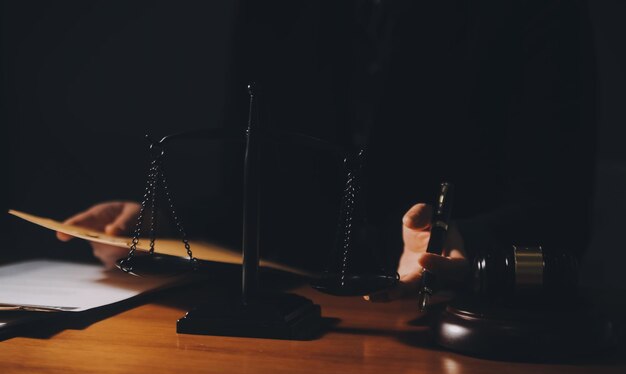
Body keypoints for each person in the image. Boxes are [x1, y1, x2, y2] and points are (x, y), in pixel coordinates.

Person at [58, 0, 596, 302]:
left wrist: (461, 243)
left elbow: (560, 215)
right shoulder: (274, 16)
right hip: (301, 333)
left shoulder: (533, 15)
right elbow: (263, 203)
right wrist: (164, 225)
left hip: (461, 339)